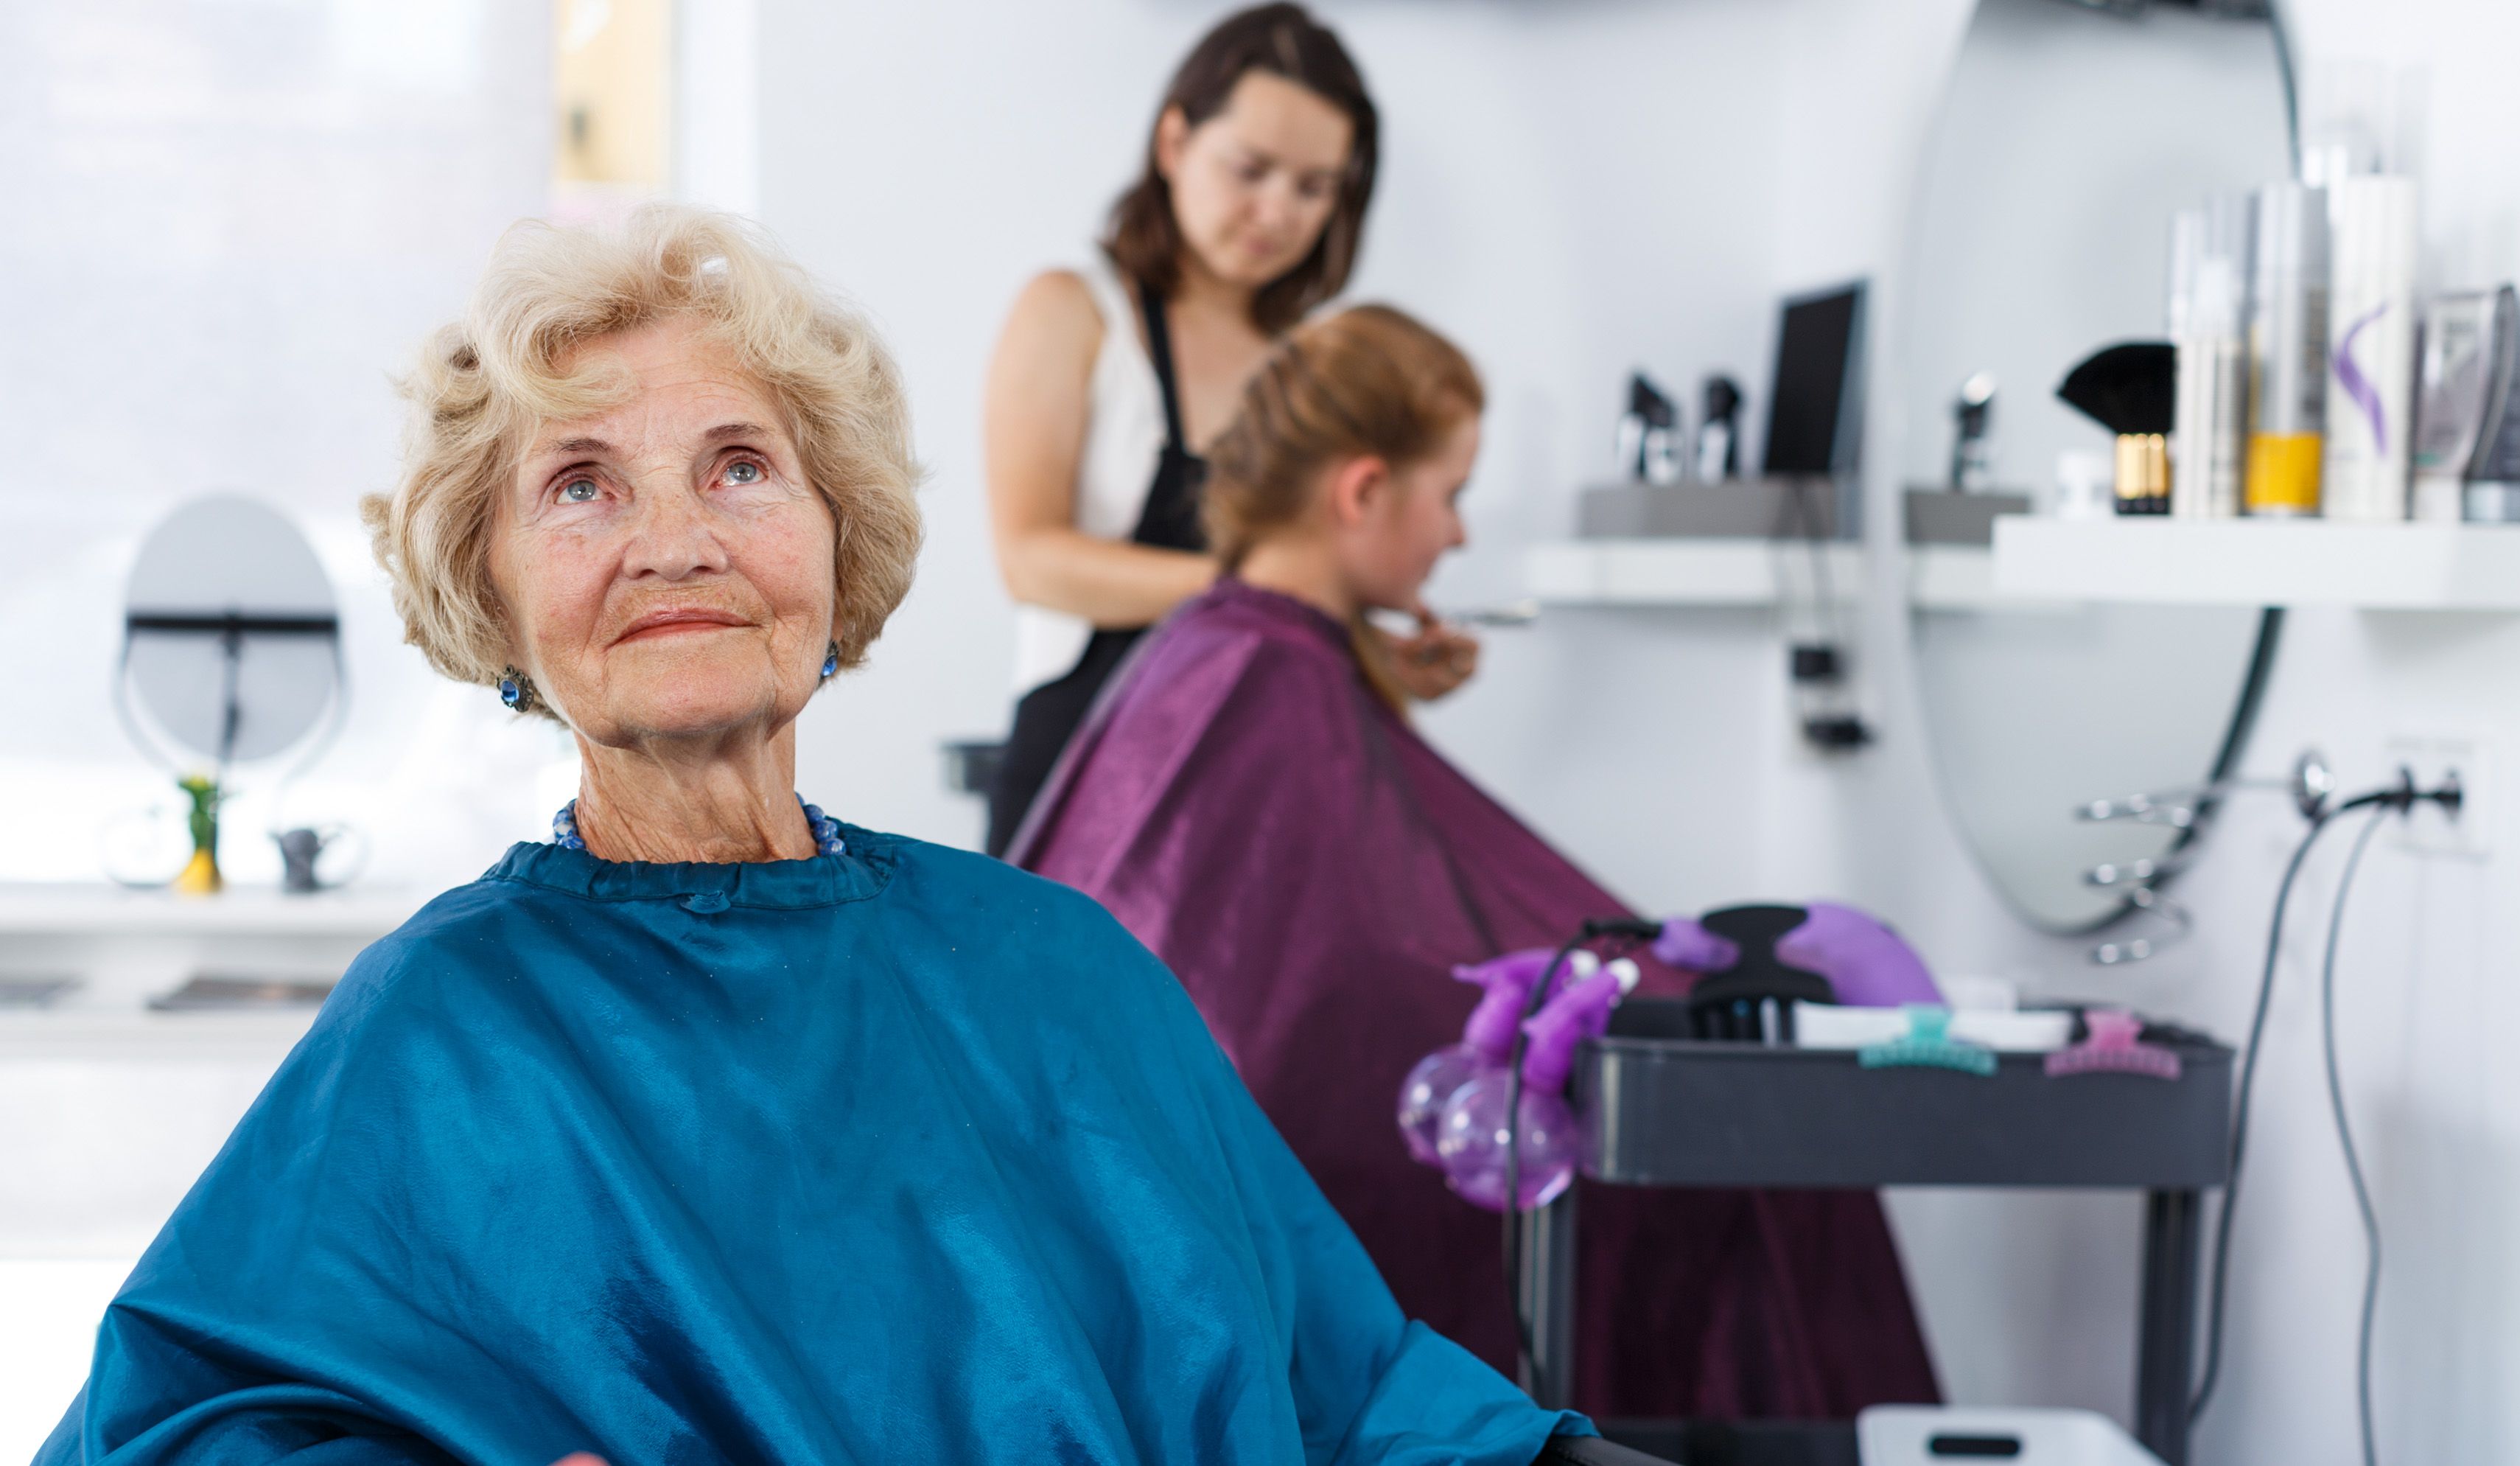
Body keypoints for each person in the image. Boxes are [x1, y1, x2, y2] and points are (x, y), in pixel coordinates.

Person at [36, 206, 1609, 1466]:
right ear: (494, 593)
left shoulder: (1053, 963)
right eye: (580, 485)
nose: (677, 541)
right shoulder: (443, 1026)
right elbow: (174, 1427)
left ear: (832, 539)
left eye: (738, 465)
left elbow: (1355, 1387)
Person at [1013, 305, 1943, 1420]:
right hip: (1307, 1171)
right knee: (1756, 1152)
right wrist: (1647, 1000)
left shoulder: (1237, 652)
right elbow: (1338, 1008)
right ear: (1361, 490)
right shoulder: (1262, 673)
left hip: (1199, 1163)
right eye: (1449, 493)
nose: (1455, 535)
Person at [981, 2, 1476, 856]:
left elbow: (1306, 584)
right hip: (1084, 766)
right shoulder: (1071, 312)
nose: (1277, 212)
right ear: (1173, 144)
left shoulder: (1307, 363)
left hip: (1252, 782)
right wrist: (1255, 593)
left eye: (1314, 187)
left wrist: (1377, 656)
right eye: (1250, 169)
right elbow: (1030, 560)